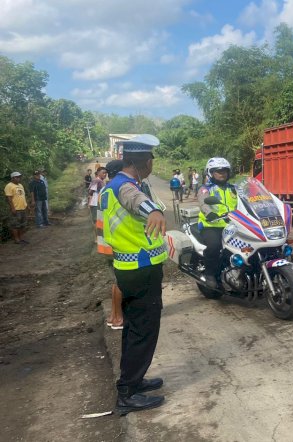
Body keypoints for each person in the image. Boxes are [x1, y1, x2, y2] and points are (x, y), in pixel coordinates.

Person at [100, 134, 167, 415]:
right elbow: (136, 201)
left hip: (131, 268)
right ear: (139, 161)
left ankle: (134, 381)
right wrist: (153, 211)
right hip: (140, 270)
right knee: (143, 329)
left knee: (134, 327)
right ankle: (127, 392)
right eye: (150, 158)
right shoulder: (124, 186)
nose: (152, 163)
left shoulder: (114, 185)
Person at [197, 157, 238, 289]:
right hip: (211, 225)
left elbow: (246, 200)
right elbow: (203, 202)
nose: (222, 174)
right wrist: (210, 214)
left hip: (232, 225)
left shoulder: (233, 188)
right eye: (218, 171)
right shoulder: (206, 189)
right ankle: (210, 274)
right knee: (214, 246)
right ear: (210, 173)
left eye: (225, 171)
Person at [99, 160, 125, 330]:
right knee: (120, 281)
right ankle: (117, 317)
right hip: (114, 242)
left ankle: (113, 315)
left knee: (117, 281)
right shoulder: (117, 190)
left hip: (105, 240)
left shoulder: (105, 190)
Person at [5, 172, 29, 244]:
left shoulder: (20, 185)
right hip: (16, 209)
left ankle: (21, 238)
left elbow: (22, 197)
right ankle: (16, 239)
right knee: (15, 225)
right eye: (17, 177)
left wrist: (26, 205)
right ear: (12, 178)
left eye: (19, 177)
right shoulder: (9, 186)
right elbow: (9, 198)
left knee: (22, 224)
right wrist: (12, 208)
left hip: (22, 208)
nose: (19, 178)